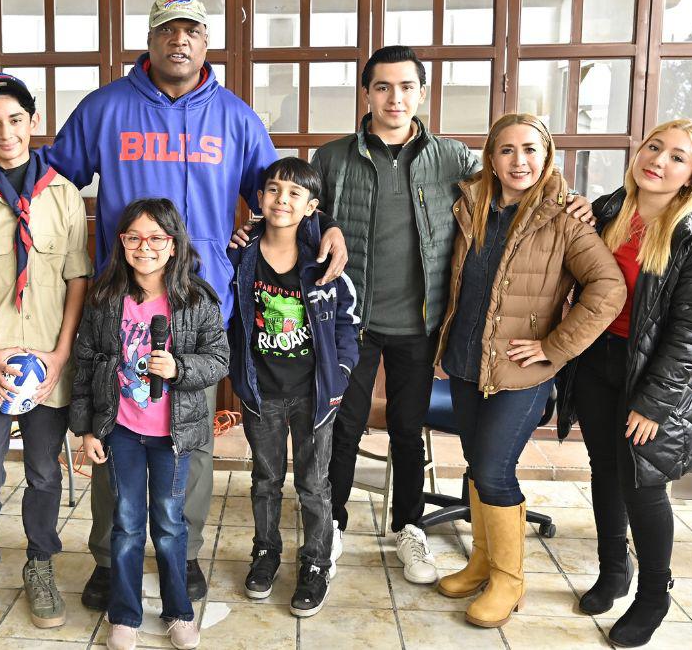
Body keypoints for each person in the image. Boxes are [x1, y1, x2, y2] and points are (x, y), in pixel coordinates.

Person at [0, 0, 347, 607]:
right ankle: (111, 556)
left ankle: (180, 553)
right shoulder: (107, 109)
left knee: (186, 434)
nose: (179, 41)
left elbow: (282, 195)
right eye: (168, 31)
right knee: (117, 426)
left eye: (191, 30)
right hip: (120, 302)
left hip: (199, 304)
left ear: (206, 41)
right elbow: (41, 170)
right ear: (152, 39)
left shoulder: (236, 118)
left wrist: (329, 228)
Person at [304, 45, 592, 581]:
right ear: (366, 93)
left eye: (407, 87)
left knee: (408, 430)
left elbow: (519, 175)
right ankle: (334, 523)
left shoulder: (455, 158)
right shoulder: (332, 157)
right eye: (383, 87)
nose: (395, 98)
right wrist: (322, 224)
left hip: (422, 322)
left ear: (421, 93)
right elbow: (302, 212)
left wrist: (567, 194)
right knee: (343, 427)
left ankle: (409, 528)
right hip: (352, 321)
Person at [433, 113, 626, 628]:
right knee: (477, 465)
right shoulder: (471, 206)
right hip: (469, 362)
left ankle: (509, 580)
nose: (520, 161)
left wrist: (555, 348)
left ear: (547, 156)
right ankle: (481, 562)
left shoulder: (564, 218)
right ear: (491, 159)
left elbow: (608, 290)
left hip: (523, 374)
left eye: (531, 150)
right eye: (507, 150)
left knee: (495, 470)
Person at [560, 119, 692, 647]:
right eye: (653, 147)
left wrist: (655, 404)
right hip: (596, 363)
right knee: (604, 469)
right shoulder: (608, 211)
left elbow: (689, 337)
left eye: (677, 157)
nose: (658, 161)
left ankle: (654, 594)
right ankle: (614, 570)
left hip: (652, 377)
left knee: (643, 485)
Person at [0, 73, 91, 645]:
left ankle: (40, 566)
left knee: (45, 474)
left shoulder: (63, 194)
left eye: (15, 119)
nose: (5, 133)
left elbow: (77, 277)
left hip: (49, 363)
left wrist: (59, 354)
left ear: (33, 121)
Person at [70, 198, 229, 650]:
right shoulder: (104, 299)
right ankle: (124, 615)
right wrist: (85, 430)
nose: (145, 247)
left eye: (157, 237)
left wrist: (178, 368)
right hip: (119, 431)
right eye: (134, 237)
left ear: (174, 244)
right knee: (125, 524)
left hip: (173, 437)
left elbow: (219, 359)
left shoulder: (196, 299)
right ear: (121, 243)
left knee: (170, 524)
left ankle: (179, 612)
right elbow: (83, 365)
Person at [226, 158, 360, 617]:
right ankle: (265, 552)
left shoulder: (323, 257)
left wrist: (339, 372)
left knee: (313, 484)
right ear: (259, 198)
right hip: (261, 391)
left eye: (294, 194)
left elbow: (347, 319)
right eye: (273, 190)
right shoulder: (241, 255)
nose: (282, 200)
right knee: (265, 480)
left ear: (312, 207)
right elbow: (225, 312)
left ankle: (317, 562)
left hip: (314, 393)